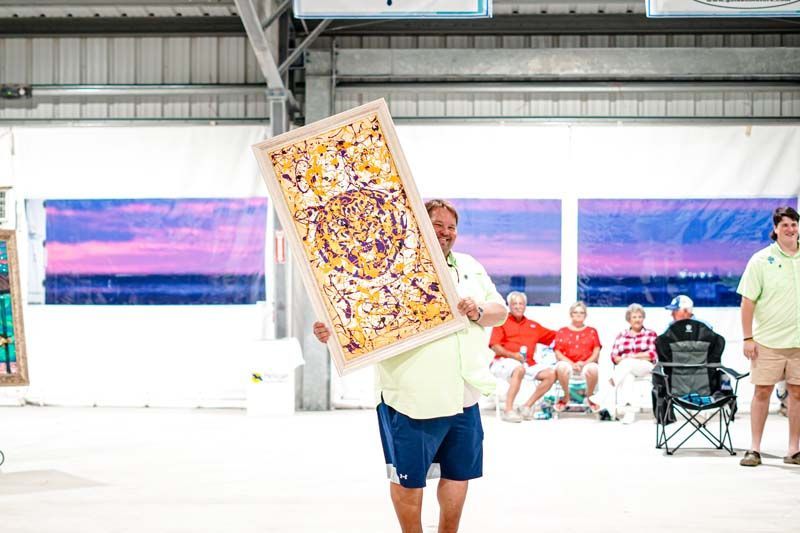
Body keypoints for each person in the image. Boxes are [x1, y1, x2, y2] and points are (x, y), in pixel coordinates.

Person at [313, 199, 507, 532]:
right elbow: (356, 318)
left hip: (464, 394)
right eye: (437, 224)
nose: (446, 233)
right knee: (409, 478)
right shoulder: (389, 268)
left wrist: (476, 312)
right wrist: (332, 333)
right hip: (412, 397)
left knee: (459, 473)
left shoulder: (469, 265)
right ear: (418, 224)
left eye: (451, 227)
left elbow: (499, 311)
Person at [737, 206, 800, 468]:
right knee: (762, 391)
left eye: (794, 224)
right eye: (784, 225)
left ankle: (794, 449)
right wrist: (747, 338)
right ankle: (754, 449)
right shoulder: (760, 260)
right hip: (767, 341)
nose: (790, 229)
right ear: (775, 229)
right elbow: (748, 301)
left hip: (798, 343)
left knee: (797, 393)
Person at [488, 291, 557, 422]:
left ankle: (526, 407)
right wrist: (512, 355)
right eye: (515, 304)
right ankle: (508, 411)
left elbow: (556, 336)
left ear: (525, 306)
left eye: (521, 303)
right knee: (518, 368)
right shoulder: (502, 322)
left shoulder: (533, 325)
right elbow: (494, 346)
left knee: (550, 374)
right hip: (503, 362)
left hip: (527, 364)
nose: (518, 306)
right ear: (509, 305)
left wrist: (576, 331)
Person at [606, 303, 657, 424]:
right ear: (629, 319)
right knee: (628, 377)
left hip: (645, 366)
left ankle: (610, 385)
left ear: (643, 318)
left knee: (627, 364)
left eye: (640, 317)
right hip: (626, 368)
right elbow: (614, 357)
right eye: (634, 317)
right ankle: (630, 413)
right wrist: (627, 359)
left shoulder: (650, 334)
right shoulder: (621, 335)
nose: (637, 320)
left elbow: (652, 354)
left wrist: (631, 356)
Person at [553, 301, 602, 412]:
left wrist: (584, 363)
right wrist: (572, 364)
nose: (578, 315)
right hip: (568, 363)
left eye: (581, 312)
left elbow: (596, 351)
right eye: (575, 312)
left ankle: (589, 397)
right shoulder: (562, 331)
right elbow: (558, 352)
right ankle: (566, 397)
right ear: (571, 314)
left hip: (587, 363)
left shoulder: (592, 331)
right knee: (561, 367)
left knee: (593, 369)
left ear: (585, 315)